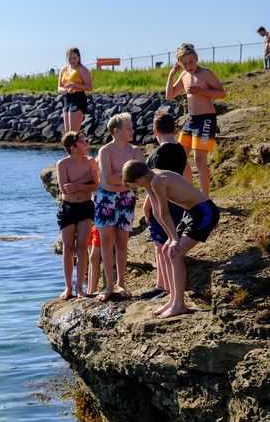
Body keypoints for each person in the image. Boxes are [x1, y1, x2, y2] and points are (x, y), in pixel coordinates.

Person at [123, 160, 220, 319]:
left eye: (135, 184)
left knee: (176, 253)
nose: (137, 187)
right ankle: (173, 300)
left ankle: (179, 305)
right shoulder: (150, 180)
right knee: (167, 250)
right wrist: (170, 237)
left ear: (139, 178)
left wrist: (174, 238)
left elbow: (165, 212)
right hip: (191, 213)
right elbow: (156, 211)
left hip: (205, 212)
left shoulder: (158, 180)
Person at [94, 113, 145, 302]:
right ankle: (108, 286)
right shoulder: (105, 151)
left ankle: (121, 283)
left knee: (122, 242)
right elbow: (108, 177)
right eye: (129, 128)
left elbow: (141, 176)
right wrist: (126, 180)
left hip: (126, 199)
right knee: (106, 243)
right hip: (105, 199)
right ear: (117, 131)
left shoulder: (135, 151)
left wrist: (121, 180)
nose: (132, 131)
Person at [165, 43, 226, 197]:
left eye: (191, 62)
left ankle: (204, 196)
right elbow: (169, 96)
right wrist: (171, 74)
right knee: (180, 157)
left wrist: (202, 91)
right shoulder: (184, 75)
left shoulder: (206, 73)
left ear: (196, 58)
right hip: (191, 120)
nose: (188, 66)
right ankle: (191, 192)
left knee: (199, 160)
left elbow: (222, 93)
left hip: (206, 119)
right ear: (180, 64)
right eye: (184, 64)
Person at [140, 112, 188, 299]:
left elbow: (153, 184)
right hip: (178, 200)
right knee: (165, 242)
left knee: (162, 244)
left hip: (162, 202)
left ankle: (166, 286)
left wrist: (146, 206)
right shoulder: (181, 149)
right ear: (175, 129)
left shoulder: (157, 154)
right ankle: (163, 285)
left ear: (155, 131)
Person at [56, 131, 99, 299]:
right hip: (68, 208)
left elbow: (95, 186)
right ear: (73, 147)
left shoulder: (90, 162)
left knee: (82, 247)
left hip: (85, 207)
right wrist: (83, 181)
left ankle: (79, 288)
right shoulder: (63, 164)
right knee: (68, 247)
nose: (86, 144)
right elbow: (64, 188)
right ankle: (68, 288)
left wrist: (77, 184)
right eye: (83, 142)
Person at [58, 48, 93, 133]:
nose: (72, 60)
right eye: (70, 58)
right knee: (67, 133)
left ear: (79, 57)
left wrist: (74, 85)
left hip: (78, 99)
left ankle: (79, 145)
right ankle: (70, 146)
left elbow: (89, 87)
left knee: (73, 133)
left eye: (74, 58)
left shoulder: (82, 69)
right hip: (67, 99)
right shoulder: (63, 70)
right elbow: (59, 88)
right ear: (66, 58)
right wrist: (66, 90)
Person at [86, 225, 102, 296]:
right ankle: (89, 290)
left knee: (93, 257)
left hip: (98, 223)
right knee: (90, 258)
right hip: (89, 222)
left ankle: (92, 290)